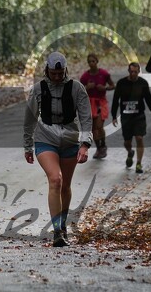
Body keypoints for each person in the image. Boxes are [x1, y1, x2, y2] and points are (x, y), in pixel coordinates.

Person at [24, 51, 93, 247]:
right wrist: (28, 145)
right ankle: (57, 231)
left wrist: (85, 144)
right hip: (45, 138)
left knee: (65, 186)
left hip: (70, 140)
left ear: (65, 71)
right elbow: (29, 120)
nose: (56, 77)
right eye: (53, 73)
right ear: (46, 70)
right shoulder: (38, 89)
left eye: (60, 73)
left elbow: (86, 118)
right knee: (55, 179)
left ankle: (62, 224)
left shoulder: (77, 88)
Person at [111, 62, 151, 174]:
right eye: (131, 71)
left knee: (139, 138)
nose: (133, 74)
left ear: (138, 72)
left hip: (139, 116)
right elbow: (115, 100)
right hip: (126, 117)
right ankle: (130, 152)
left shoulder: (143, 83)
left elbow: (149, 100)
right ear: (128, 71)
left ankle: (138, 163)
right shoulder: (122, 83)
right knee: (127, 142)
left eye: (135, 72)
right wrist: (113, 116)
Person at [79, 53, 115, 159]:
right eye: (89, 61)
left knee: (99, 126)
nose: (91, 63)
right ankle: (99, 148)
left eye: (93, 61)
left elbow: (112, 85)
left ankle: (103, 145)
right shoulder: (85, 77)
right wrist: (87, 87)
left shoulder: (104, 74)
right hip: (89, 103)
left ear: (97, 61)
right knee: (93, 128)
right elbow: (79, 90)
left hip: (100, 102)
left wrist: (104, 88)